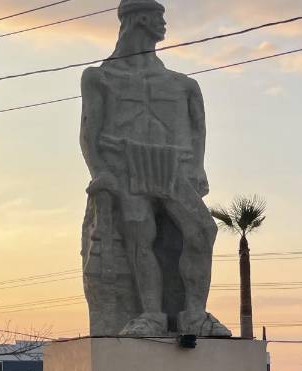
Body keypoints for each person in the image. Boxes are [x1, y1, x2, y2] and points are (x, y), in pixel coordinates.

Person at [80, 0, 229, 337]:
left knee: (202, 230)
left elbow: (197, 129)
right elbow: (89, 132)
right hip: (125, 163)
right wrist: (100, 171)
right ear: (138, 20)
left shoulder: (182, 84)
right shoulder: (100, 78)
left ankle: (194, 314)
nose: (164, 24)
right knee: (138, 233)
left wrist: (199, 168)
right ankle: (151, 314)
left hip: (173, 167)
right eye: (158, 17)